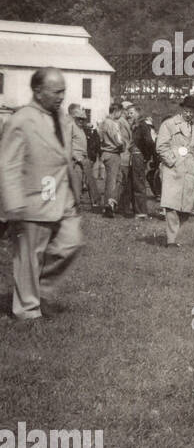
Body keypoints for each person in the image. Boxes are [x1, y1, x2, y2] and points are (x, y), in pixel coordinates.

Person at [0, 68, 83, 320]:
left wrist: (74, 194)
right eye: (56, 91)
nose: (61, 96)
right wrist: (13, 203)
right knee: (29, 258)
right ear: (38, 91)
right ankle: (27, 311)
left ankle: (38, 288)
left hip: (62, 198)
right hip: (31, 200)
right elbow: (7, 164)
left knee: (72, 242)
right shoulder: (21, 120)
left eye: (63, 91)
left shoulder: (62, 119)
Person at [154, 95, 194, 246]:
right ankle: (171, 240)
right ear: (182, 109)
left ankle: (174, 236)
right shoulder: (169, 124)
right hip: (173, 170)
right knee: (171, 204)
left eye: (193, 111)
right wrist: (172, 161)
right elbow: (161, 146)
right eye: (187, 110)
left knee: (186, 206)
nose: (189, 113)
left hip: (189, 169)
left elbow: (193, 148)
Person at [97, 102, 131, 218]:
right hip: (113, 154)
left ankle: (109, 204)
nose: (121, 115)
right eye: (120, 112)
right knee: (113, 181)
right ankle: (108, 206)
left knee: (114, 179)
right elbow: (118, 140)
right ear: (116, 111)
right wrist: (124, 145)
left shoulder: (103, 123)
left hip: (107, 153)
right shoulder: (111, 123)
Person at [125, 104, 158, 218]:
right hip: (133, 157)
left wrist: (146, 156)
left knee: (139, 184)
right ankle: (134, 210)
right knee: (132, 183)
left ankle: (141, 212)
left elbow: (149, 142)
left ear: (138, 113)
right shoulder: (135, 126)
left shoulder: (143, 125)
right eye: (128, 113)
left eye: (131, 113)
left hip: (138, 156)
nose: (129, 115)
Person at [66, 104, 92, 213]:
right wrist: (76, 157)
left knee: (80, 184)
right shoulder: (70, 126)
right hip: (75, 161)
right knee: (75, 184)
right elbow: (67, 144)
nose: (82, 120)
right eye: (79, 118)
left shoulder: (80, 128)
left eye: (83, 119)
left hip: (82, 160)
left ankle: (76, 205)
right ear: (74, 117)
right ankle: (74, 206)